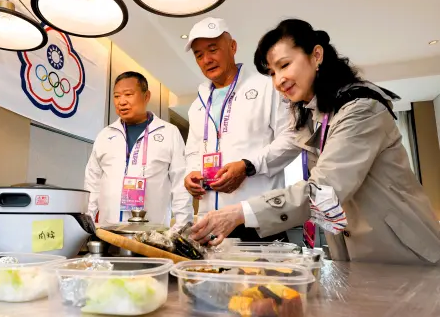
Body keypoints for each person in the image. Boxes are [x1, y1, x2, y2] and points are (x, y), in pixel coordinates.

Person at [190, 19, 440, 265]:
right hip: (355, 255)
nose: (278, 81)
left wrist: (239, 212)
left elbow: (325, 190)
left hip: (404, 254)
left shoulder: (361, 109)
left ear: (316, 55)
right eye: (272, 72)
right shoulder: (314, 117)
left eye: (285, 65)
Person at [184, 17, 300, 243]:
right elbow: (192, 151)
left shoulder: (268, 86)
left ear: (233, 46)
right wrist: (191, 173)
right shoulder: (197, 104)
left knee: (265, 279)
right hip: (211, 224)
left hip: (258, 221)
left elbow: (292, 139)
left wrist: (248, 166)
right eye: (199, 55)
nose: (207, 59)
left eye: (213, 49)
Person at [85, 71, 194, 229]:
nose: (121, 101)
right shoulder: (105, 135)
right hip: (108, 231)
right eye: (116, 96)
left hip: (153, 232)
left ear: (146, 96)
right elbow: (92, 183)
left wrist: (182, 227)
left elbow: (180, 184)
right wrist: (87, 225)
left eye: (128, 94)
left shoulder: (169, 133)